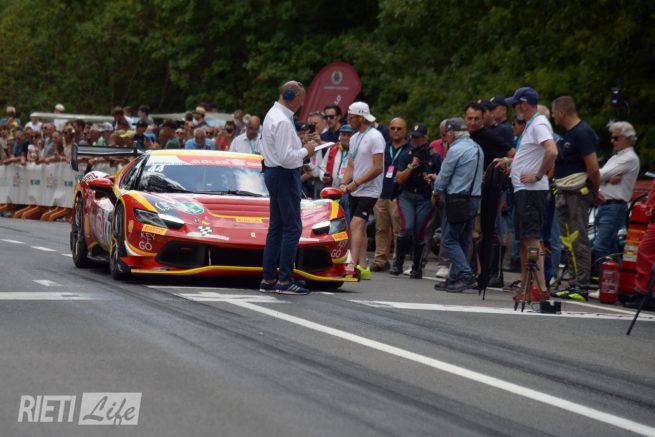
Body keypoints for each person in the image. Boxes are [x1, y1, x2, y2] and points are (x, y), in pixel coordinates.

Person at [498, 86, 558, 301]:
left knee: (531, 239)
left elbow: (552, 150)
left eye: (515, 104)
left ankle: (540, 287)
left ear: (523, 104)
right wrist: (511, 163)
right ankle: (526, 285)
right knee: (525, 239)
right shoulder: (533, 124)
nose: (514, 109)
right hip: (524, 190)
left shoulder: (539, 123)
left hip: (531, 190)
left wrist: (538, 175)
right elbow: (532, 154)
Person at [259, 81, 317, 295]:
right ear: (292, 97)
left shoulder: (272, 115)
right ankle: (284, 279)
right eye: (300, 100)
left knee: (276, 226)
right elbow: (286, 158)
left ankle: (268, 277)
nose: (301, 105)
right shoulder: (283, 121)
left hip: (273, 172)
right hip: (284, 173)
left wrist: (299, 144)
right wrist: (306, 150)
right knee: (292, 227)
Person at [551, 95, 600, 301]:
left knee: (579, 240)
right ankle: (573, 282)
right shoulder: (570, 134)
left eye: (554, 113)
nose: (553, 116)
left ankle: (582, 287)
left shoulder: (582, 133)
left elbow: (593, 167)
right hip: (565, 193)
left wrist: (595, 191)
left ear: (562, 112)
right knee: (568, 241)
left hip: (577, 194)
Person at [433, 117, 484, 292]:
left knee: (449, 239)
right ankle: (455, 278)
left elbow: (445, 174)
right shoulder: (477, 148)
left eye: (446, 133)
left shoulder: (455, 149)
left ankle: (465, 274)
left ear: (452, 134)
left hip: (457, 198)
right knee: (463, 239)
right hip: (474, 198)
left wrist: (436, 191)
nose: (445, 137)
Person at [339, 101, 385, 280]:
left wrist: (355, 183)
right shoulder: (354, 137)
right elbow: (351, 165)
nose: (348, 120)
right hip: (356, 189)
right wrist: (343, 184)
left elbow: (378, 167)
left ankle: (351, 264)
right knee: (361, 227)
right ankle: (363, 266)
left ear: (360, 117)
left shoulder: (375, 137)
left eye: (351, 117)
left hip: (370, 189)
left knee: (355, 225)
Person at [390, 122, 441, 279]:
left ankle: (417, 267)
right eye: (412, 137)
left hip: (425, 198)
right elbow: (399, 178)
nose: (414, 140)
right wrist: (411, 167)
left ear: (425, 138)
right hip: (407, 196)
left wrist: (433, 181)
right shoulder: (407, 154)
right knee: (407, 228)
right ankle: (398, 263)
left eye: (418, 138)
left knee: (419, 232)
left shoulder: (434, 156)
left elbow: (441, 178)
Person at [592, 121, 640, 262]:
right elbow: (601, 176)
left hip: (614, 206)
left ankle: (605, 275)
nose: (612, 141)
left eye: (616, 138)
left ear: (628, 138)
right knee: (610, 248)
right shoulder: (617, 157)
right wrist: (606, 179)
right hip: (606, 206)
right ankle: (615, 274)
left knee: (600, 247)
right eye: (612, 138)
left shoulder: (628, 158)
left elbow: (599, 175)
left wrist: (602, 178)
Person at [371, 117, 409, 272]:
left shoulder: (409, 149)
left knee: (398, 229)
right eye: (393, 128)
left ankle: (397, 260)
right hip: (381, 192)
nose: (395, 131)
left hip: (399, 194)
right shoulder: (384, 147)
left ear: (405, 130)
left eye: (399, 128)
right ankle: (380, 259)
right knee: (381, 228)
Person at [320, 123, 354, 221]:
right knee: (331, 217)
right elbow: (322, 167)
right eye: (343, 135)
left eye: (348, 135)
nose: (345, 138)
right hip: (332, 190)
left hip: (348, 191)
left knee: (346, 218)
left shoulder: (356, 151)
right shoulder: (332, 149)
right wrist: (324, 177)